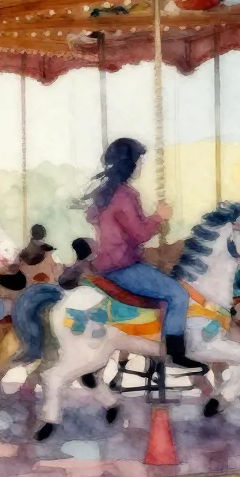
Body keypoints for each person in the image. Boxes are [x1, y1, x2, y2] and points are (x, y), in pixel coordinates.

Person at [85, 138, 201, 369]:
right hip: (124, 266)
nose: (140, 166)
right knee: (178, 294)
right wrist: (158, 216)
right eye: (138, 161)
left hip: (107, 263)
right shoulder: (125, 194)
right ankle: (175, 353)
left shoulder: (104, 194)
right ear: (129, 163)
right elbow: (139, 234)